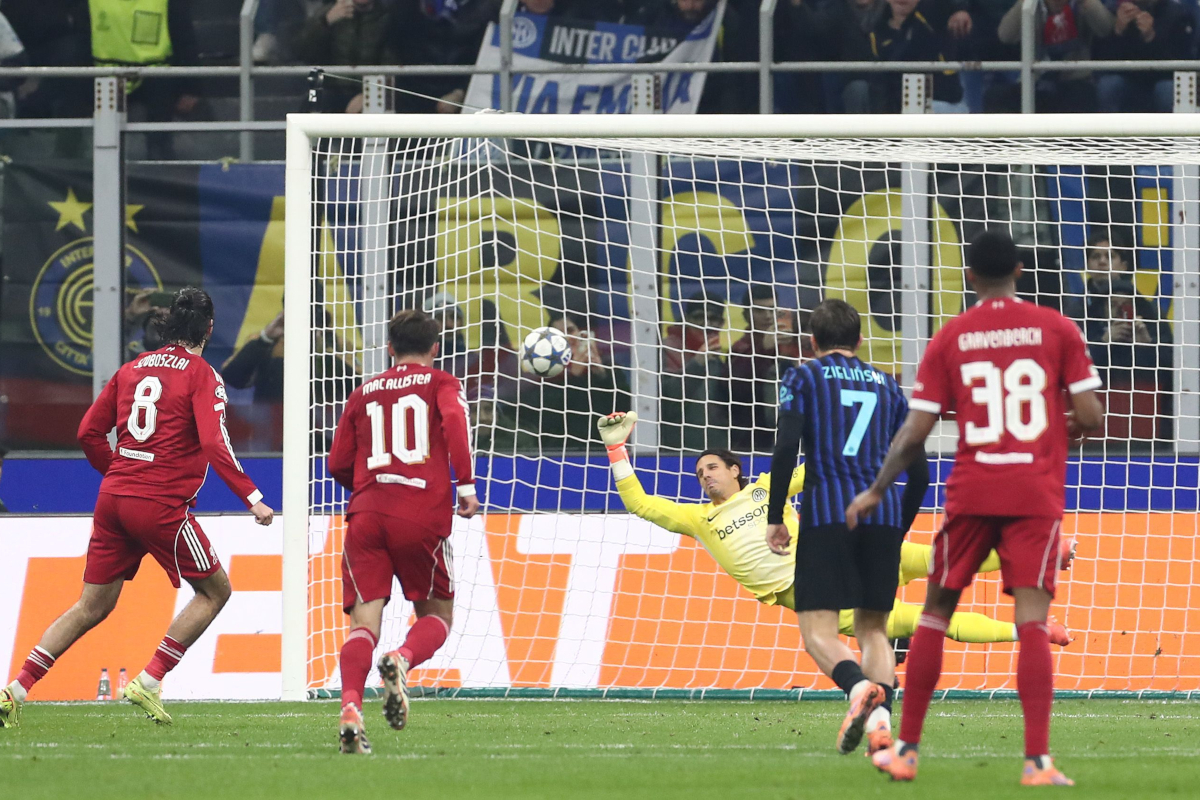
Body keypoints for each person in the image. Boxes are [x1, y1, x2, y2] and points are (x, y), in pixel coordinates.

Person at [848, 230, 1104, 786]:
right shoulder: (1059, 329)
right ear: (1019, 268)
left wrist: (875, 488)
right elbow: (1091, 415)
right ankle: (1037, 762)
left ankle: (908, 752)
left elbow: (915, 431)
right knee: (1031, 622)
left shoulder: (952, 337)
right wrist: (1049, 430)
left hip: (973, 491)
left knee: (936, 613)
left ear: (968, 277)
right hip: (1034, 493)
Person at [0, 289, 274, 730]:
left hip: (114, 499)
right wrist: (253, 498)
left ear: (167, 327)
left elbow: (88, 432)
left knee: (91, 605)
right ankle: (150, 679)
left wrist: (120, 474)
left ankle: (15, 689)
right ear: (208, 328)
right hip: (160, 503)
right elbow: (213, 440)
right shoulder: (202, 375)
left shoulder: (131, 369)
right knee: (215, 591)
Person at [599, 410, 1073, 652]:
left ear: (736, 470)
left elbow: (821, 467)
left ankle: (1045, 554)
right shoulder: (699, 519)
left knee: (936, 560)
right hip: (812, 592)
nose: (704, 476)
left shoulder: (769, 488)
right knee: (917, 621)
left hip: (834, 557)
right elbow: (641, 504)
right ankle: (1029, 631)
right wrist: (617, 449)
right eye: (700, 472)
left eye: (712, 467)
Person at [761, 299, 927, 756]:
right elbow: (921, 472)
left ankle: (857, 690)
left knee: (819, 631)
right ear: (859, 340)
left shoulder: (803, 377)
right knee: (874, 630)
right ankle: (880, 726)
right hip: (883, 517)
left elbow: (785, 448)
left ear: (813, 342)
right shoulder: (890, 389)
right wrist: (898, 527)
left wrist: (776, 514)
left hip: (828, 512)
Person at [327, 309, 479, 754]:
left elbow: (337, 463)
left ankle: (351, 708)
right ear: (435, 348)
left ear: (389, 348)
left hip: (367, 515)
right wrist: (466, 486)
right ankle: (402, 659)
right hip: (420, 515)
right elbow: (455, 424)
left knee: (362, 626)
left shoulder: (363, 392)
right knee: (437, 616)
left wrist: (371, 488)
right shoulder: (441, 383)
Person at [988, 0, 1113, 113]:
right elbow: (1005, 36)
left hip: (1076, 79)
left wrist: (1087, 3)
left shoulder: (1081, 4)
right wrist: (1024, 4)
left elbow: (1105, 28)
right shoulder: (1031, 5)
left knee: (1080, 98)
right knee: (995, 97)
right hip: (1036, 79)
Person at [728, 284, 806, 452]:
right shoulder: (740, 348)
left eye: (772, 310)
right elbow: (735, 389)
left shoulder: (793, 344)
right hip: (753, 441)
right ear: (746, 315)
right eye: (759, 310)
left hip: (794, 436)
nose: (768, 316)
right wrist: (763, 349)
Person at [1094, 0, 1195, 114]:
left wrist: (1151, 38)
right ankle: (1108, 130)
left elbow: (1181, 63)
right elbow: (1102, 61)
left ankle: (1170, 130)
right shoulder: (1115, 11)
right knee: (1109, 85)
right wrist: (1118, 31)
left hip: (1162, 80)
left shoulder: (1178, 14)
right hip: (1129, 80)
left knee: (1167, 89)